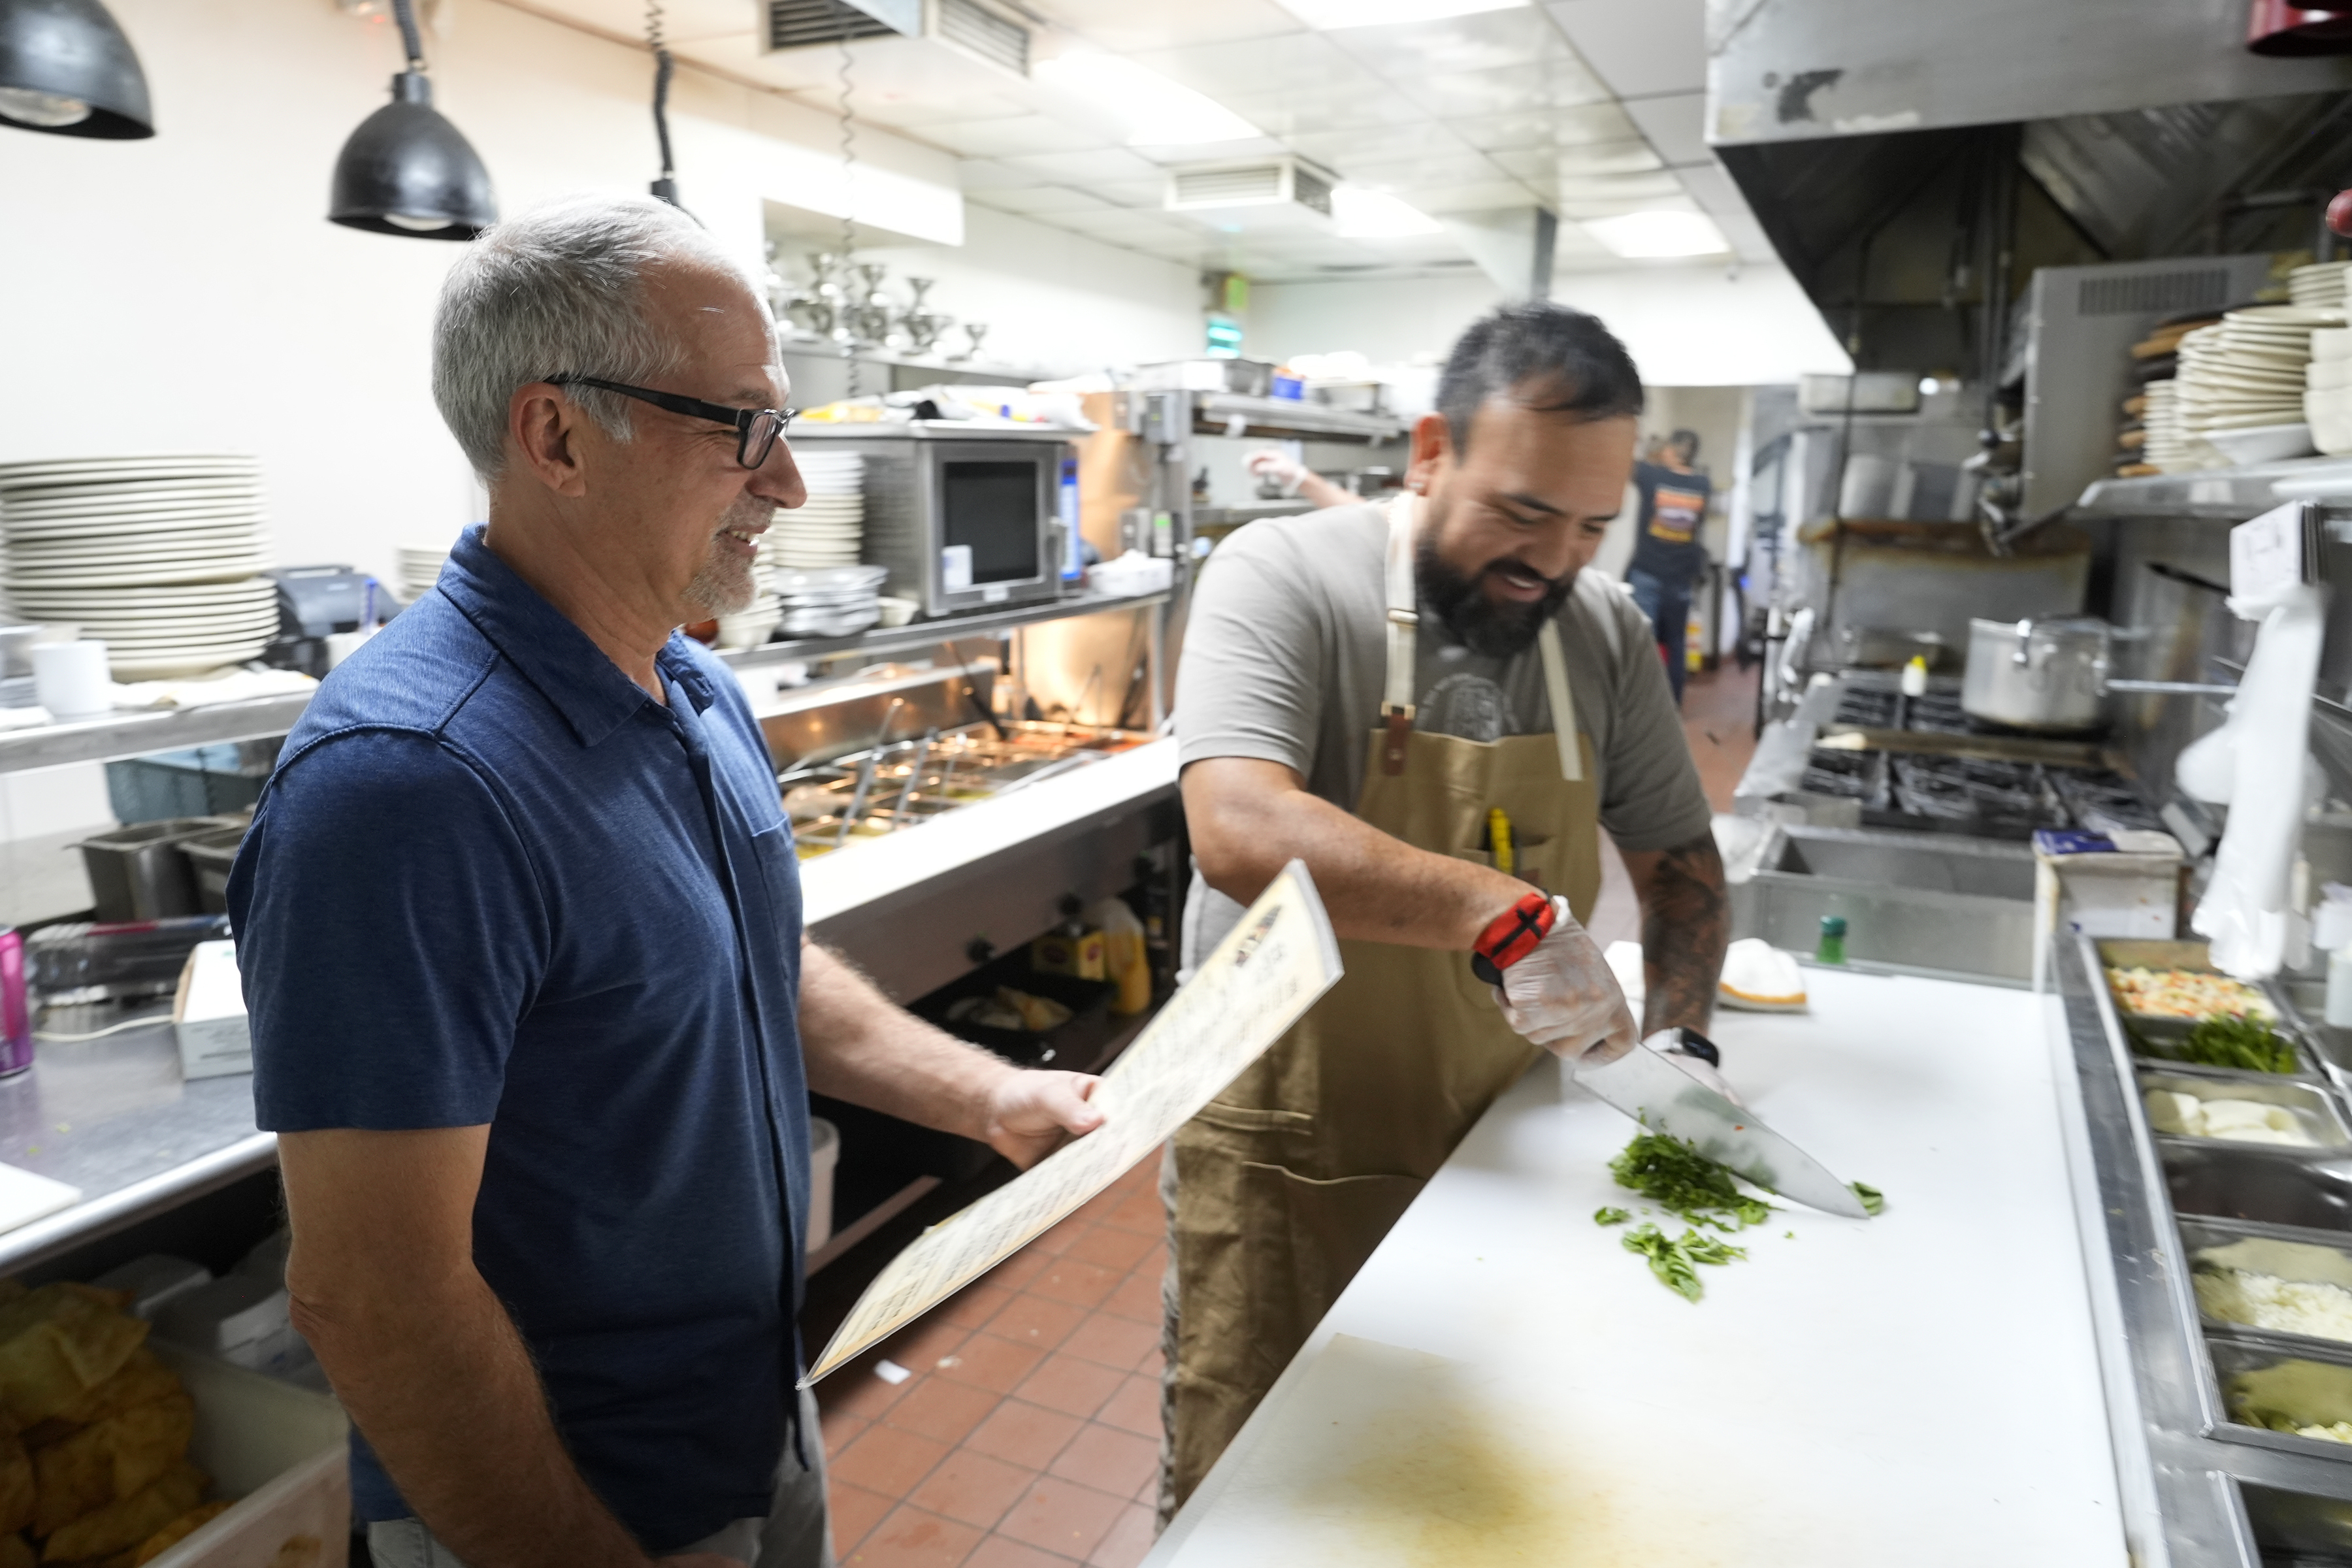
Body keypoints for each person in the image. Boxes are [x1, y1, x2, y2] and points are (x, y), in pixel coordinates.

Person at [227, 196, 1107, 1568]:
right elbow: (372, 1298)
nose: (790, 486)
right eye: (740, 428)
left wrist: (987, 1094)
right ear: (559, 436)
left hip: (754, 1422)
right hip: (560, 1503)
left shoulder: (687, 683)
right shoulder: (407, 784)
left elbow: (741, 961)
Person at [1160, 302, 1730, 1516]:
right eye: (1522, 513)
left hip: (1503, 1134)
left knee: (1462, 1488)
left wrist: (1682, 1042)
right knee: (1260, 1497)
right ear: (1431, 451)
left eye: (1591, 526)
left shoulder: (1604, 630)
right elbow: (1240, 828)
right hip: (1291, 1152)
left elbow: (1681, 862)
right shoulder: (1283, 575)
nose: (1557, 560)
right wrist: (1507, 912)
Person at [1624, 427, 1714, 703]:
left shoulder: (1653, 476)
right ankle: (1672, 705)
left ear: (1672, 451)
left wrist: (1648, 447)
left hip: (1648, 574)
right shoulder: (1702, 485)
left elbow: (1626, 462)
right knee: (1676, 645)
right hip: (1681, 580)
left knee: (1644, 645)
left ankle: (1643, 707)